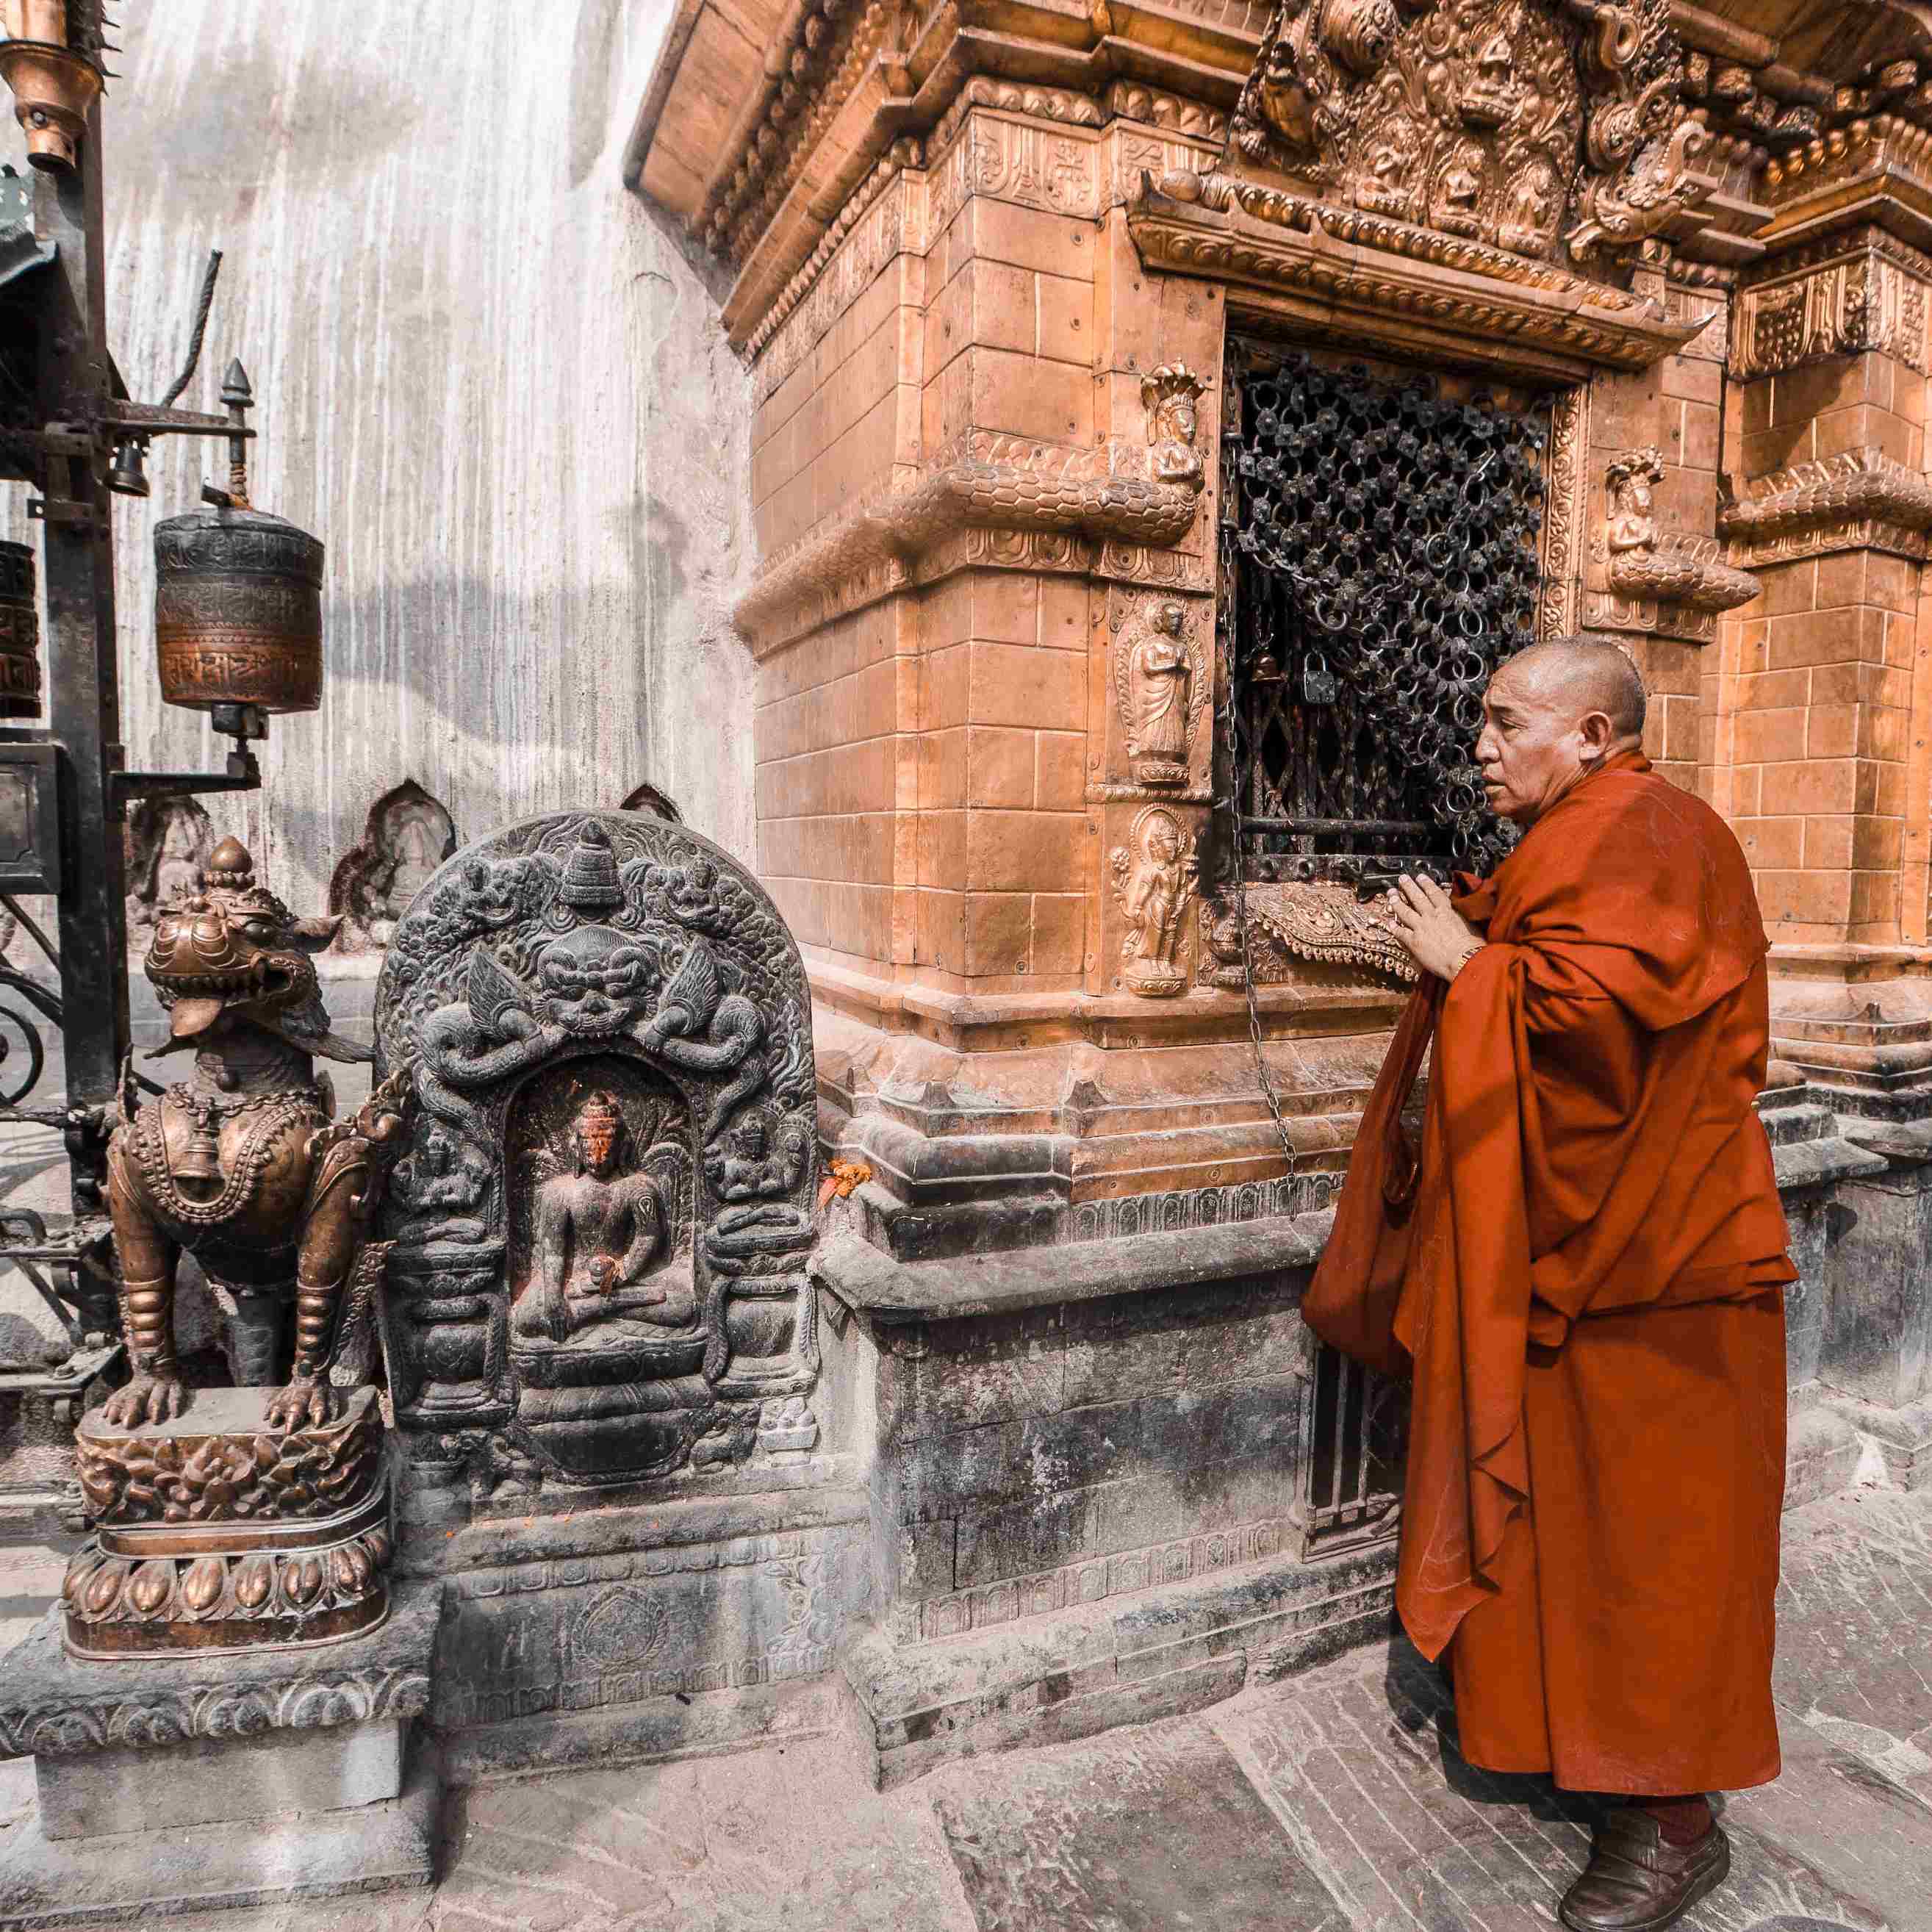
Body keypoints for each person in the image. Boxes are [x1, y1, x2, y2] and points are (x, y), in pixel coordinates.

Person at [1304, 636, 1792, 1932]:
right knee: (1574, 1528)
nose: (1479, 744)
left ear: (1591, 734)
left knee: (1661, 1549)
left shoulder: (1649, 826)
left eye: (1504, 719)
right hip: (1582, 1254)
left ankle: (1675, 1820)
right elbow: (1570, 973)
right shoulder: (1588, 833)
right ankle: (1570, 1740)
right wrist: (1478, 932)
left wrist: (1470, 964)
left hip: (1658, 1268)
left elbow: (1601, 1024)